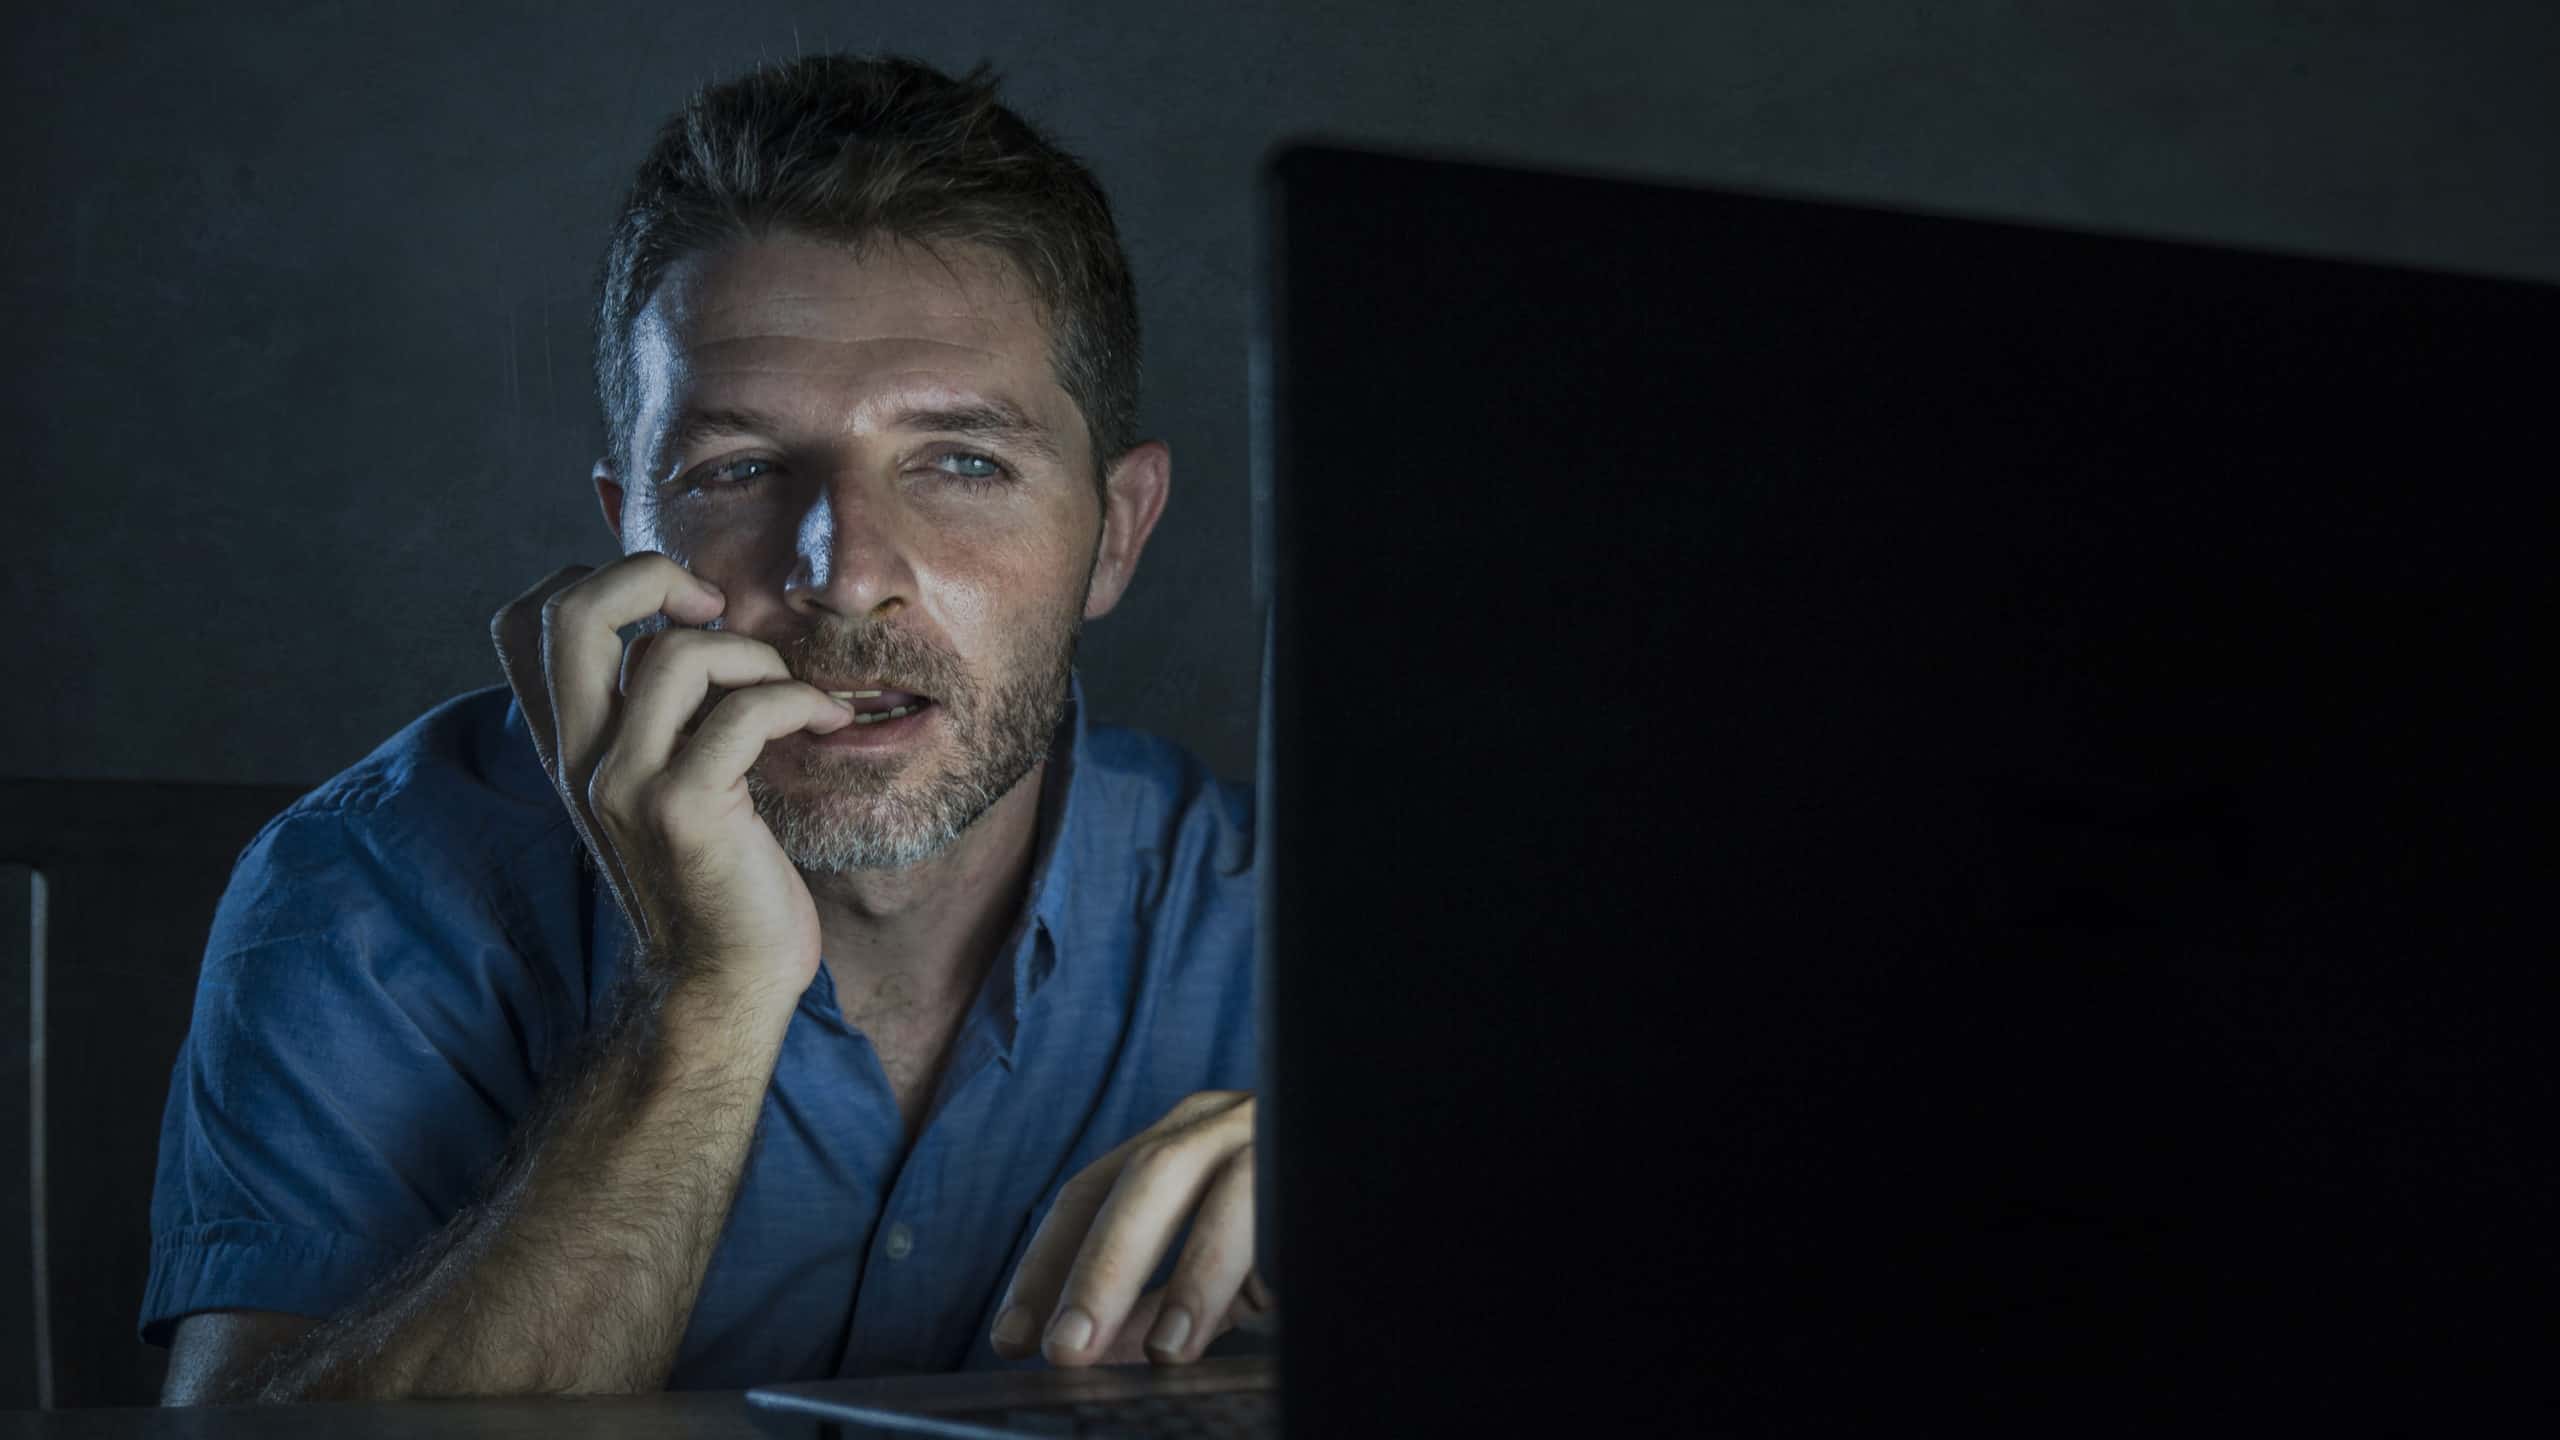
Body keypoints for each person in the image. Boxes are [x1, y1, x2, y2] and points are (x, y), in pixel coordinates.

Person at [144, 51, 1270, 1402]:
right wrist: (707, 997)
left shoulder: (1276, 929)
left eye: (963, 461)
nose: (846, 570)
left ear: (1116, 534)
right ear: (627, 529)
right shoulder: (369, 893)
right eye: (738, 469)